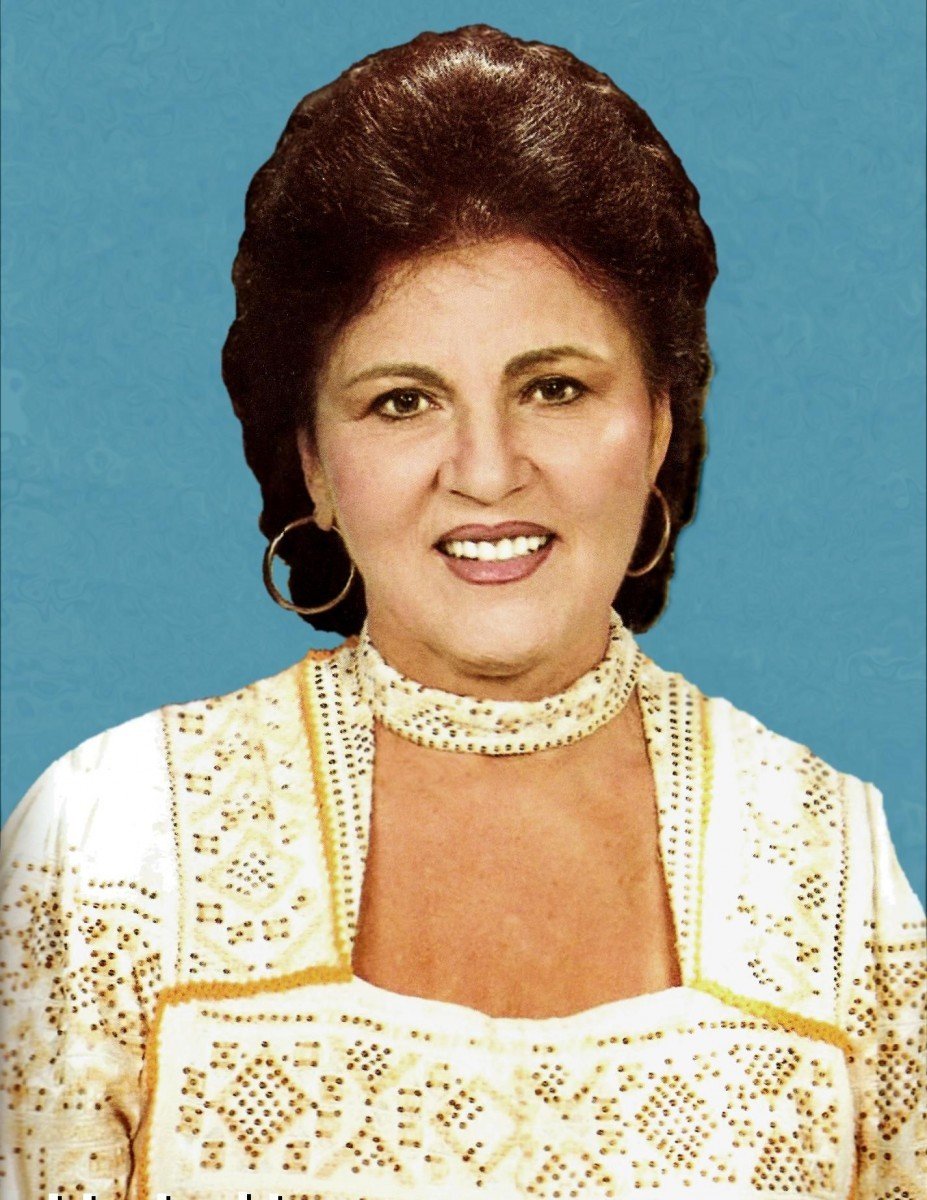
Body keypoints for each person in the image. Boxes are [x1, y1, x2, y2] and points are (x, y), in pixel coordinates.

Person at [1, 25, 924, 1200]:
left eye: (555, 387)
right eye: (402, 401)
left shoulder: (834, 867)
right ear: (313, 464)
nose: (487, 472)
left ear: (657, 425)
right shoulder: (110, 849)